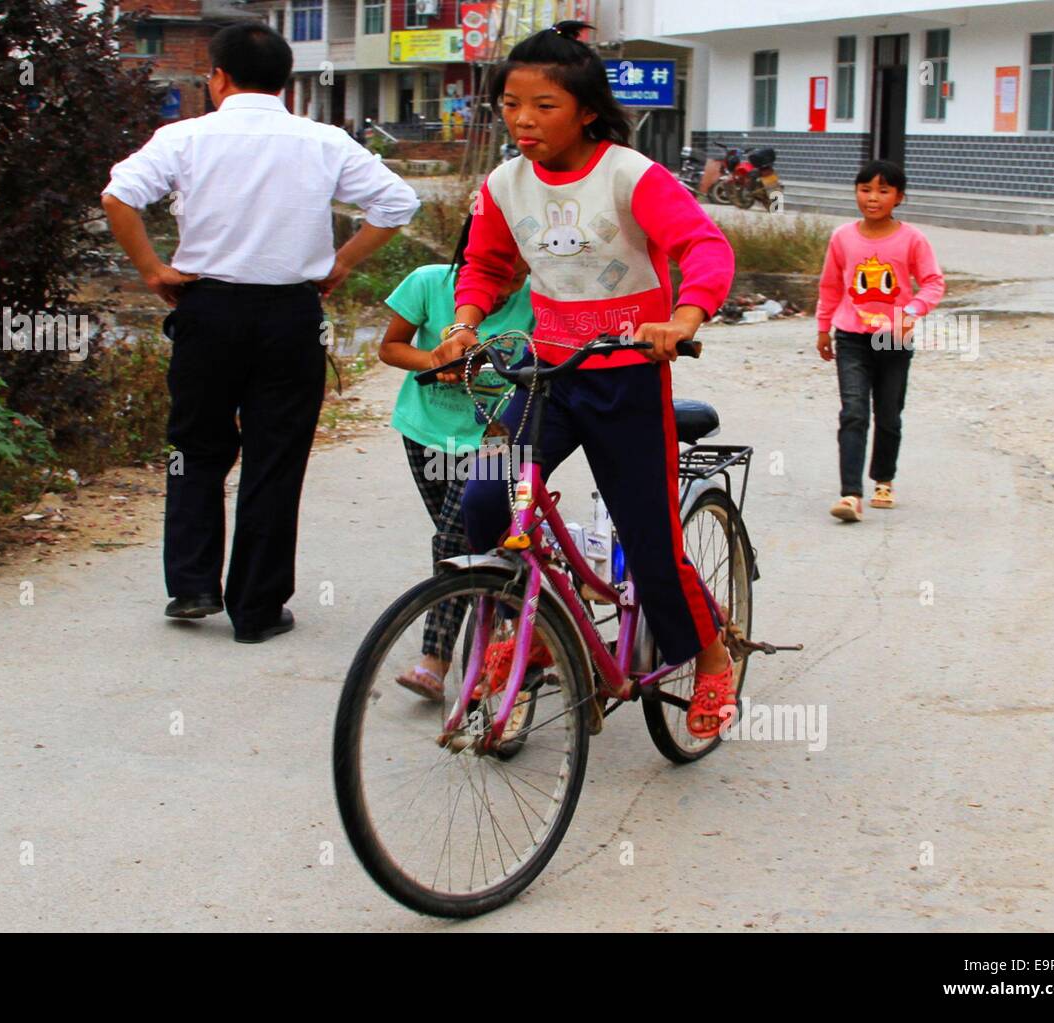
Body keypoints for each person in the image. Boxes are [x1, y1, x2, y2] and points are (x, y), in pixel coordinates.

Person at [434, 21, 738, 739]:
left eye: (543, 105)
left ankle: (713, 656)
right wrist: (466, 319)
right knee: (484, 502)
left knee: (649, 540)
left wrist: (685, 315)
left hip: (627, 378)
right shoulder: (505, 183)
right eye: (510, 104)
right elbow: (486, 263)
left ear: (587, 111)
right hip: (544, 377)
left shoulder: (630, 175)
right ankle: (533, 626)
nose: (522, 121)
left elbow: (703, 245)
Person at [101, 23, 420, 642]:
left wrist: (150, 270)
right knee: (276, 457)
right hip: (288, 316)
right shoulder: (323, 141)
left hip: (206, 310)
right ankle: (256, 608)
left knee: (194, 448)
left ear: (217, 77)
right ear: (285, 82)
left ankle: (192, 585)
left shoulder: (185, 136)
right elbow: (397, 205)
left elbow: (120, 197)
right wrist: (343, 261)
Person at [378, 215, 533, 700]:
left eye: (517, 271)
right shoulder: (428, 283)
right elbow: (390, 347)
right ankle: (522, 620)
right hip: (424, 434)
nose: (506, 284)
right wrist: (433, 360)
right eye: (496, 270)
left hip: (493, 439)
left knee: (454, 538)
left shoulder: (541, 302)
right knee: (480, 542)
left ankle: (435, 659)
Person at [815, 159, 945, 522]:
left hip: (893, 340)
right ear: (856, 193)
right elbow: (829, 285)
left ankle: (883, 480)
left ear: (899, 197)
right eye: (865, 189)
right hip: (851, 336)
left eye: (883, 191)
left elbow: (933, 282)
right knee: (853, 413)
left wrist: (912, 311)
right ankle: (850, 494)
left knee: (888, 414)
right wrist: (824, 327)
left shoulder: (912, 239)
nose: (873, 198)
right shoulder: (842, 237)